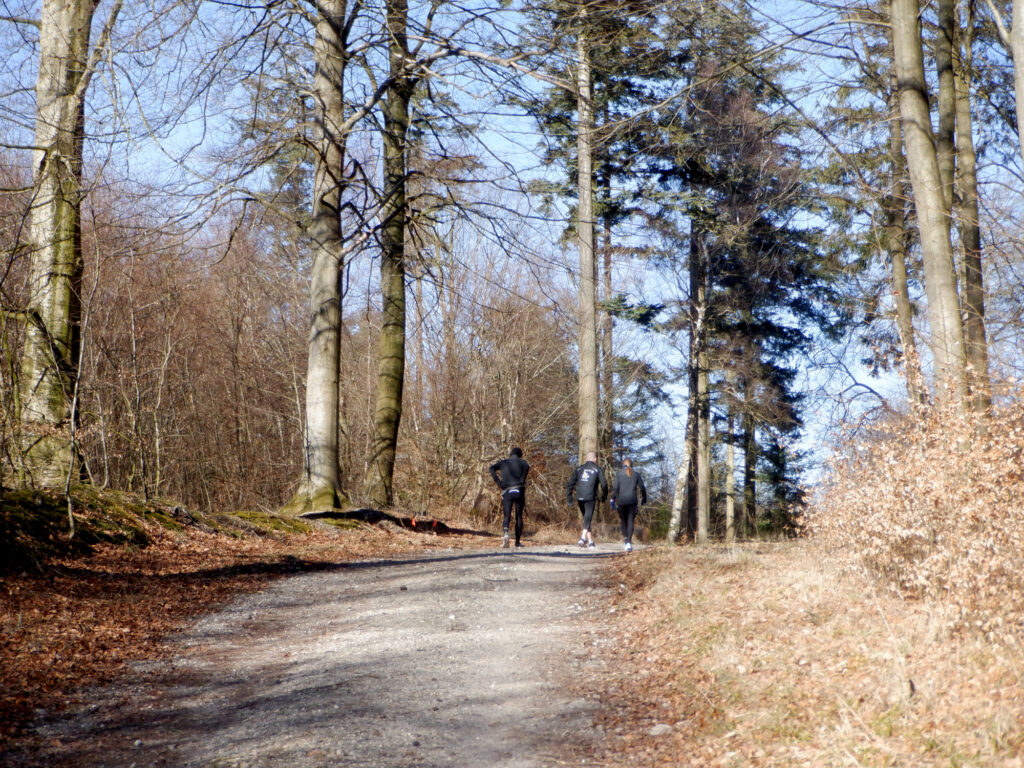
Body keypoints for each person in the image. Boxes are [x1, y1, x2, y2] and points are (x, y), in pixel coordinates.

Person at [489, 447, 530, 548]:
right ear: (520, 455)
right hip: (519, 490)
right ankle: (517, 542)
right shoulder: (524, 463)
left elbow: (491, 468)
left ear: (510, 454)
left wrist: (499, 482)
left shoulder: (504, 462)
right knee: (519, 516)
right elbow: (524, 477)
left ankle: (506, 533)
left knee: (507, 516)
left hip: (507, 491)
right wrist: (521, 481)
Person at [566, 451, 608, 549]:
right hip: (590, 496)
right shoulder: (598, 469)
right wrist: (604, 496)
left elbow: (570, 484)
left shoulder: (579, 469)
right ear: (595, 459)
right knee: (588, 518)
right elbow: (604, 484)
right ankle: (582, 537)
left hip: (579, 496)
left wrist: (569, 498)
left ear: (586, 459)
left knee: (586, 518)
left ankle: (590, 542)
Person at [611, 457, 647, 552]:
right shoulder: (636, 475)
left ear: (623, 465)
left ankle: (626, 540)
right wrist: (644, 498)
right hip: (632, 501)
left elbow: (615, 489)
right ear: (632, 465)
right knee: (630, 521)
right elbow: (642, 488)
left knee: (623, 521)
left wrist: (612, 499)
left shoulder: (619, 475)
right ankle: (629, 543)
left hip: (622, 501)